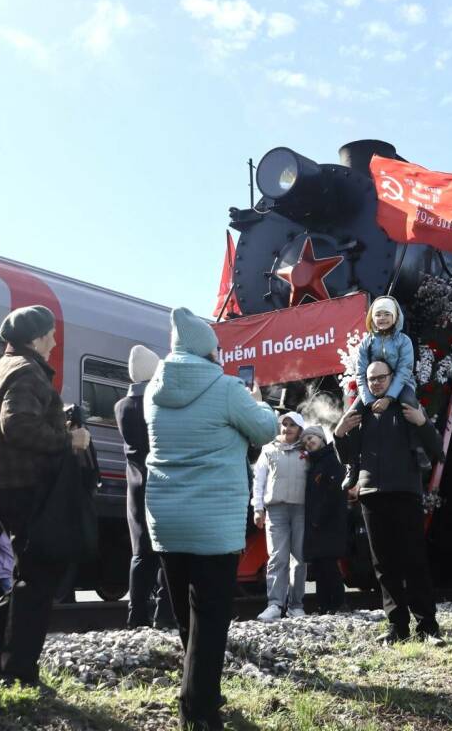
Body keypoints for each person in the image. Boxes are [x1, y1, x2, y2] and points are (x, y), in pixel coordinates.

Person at [144, 307, 280, 730]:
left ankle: (201, 687)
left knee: (186, 613)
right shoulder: (226, 389)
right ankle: (198, 710)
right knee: (211, 613)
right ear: (208, 350)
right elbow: (266, 431)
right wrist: (257, 403)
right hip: (212, 519)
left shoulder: (154, 389)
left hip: (165, 518)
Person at [0, 305, 91, 685]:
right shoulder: (27, 370)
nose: (53, 340)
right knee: (39, 575)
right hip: (23, 484)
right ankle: (18, 669)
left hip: (0, 482)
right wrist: (68, 439)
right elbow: (15, 425)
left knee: (31, 572)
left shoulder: (4, 367)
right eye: (50, 333)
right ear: (36, 336)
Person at [335, 360, 444, 644]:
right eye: (371, 379)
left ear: (392, 377)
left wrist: (422, 423)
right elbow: (347, 457)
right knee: (383, 564)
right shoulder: (362, 411)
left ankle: (428, 628)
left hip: (406, 491)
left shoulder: (407, 407)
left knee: (414, 560)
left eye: (381, 377)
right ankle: (397, 628)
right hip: (371, 494)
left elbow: (436, 451)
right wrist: (339, 434)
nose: (375, 383)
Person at [114, 344, 173, 629]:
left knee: (141, 554)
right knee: (167, 553)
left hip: (135, 487)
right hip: (161, 484)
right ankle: (164, 614)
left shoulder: (121, 406)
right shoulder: (158, 406)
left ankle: (135, 616)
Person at [252, 411, 308, 622]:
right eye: (284, 424)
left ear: (300, 429)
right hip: (276, 510)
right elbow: (258, 481)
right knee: (277, 558)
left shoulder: (307, 450)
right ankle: (275, 604)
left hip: (301, 509)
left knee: (300, 558)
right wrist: (258, 508)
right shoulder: (268, 450)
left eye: (292, 425)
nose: (287, 428)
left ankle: (296, 605)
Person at [301, 425, 347, 614]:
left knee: (328, 565)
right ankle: (325, 605)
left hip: (328, 522)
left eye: (312, 438)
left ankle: (337, 603)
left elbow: (333, 491)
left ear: (321, 438)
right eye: (305, 441)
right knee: (320, 565)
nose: (309, 442)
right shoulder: (316, 462)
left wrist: (318, 516)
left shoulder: (331, 460)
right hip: (318, 522)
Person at [354, 296, 418, 411]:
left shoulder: (404, 341)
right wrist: (369, 400)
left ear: (394, 317)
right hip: (375, 385)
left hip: (402, 384)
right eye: (378, 315)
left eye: (387, 314)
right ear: (372, 318)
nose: (382, 318)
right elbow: (360, 373)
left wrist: (389, 397)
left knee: (409, 404)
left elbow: (404, 370)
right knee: (352, 413)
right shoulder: (366, 342)